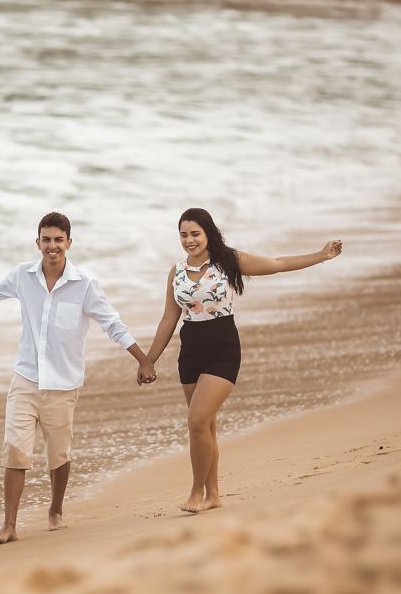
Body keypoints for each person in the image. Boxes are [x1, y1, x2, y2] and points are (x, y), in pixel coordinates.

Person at [0, 212, 156, 544]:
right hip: (25, 379)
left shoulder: (85, 285)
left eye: (58, 240)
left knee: (58, 455)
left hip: (63, 385)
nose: (52, 246)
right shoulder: (23, 276)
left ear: (69, 243)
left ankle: (55, 509)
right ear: (38, 242)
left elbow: (112, 324)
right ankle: (9, 525)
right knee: (15, 449)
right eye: (46, 239)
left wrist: (143, 360)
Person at [143, 208, 343, 513]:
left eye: (195, 233)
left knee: (197, 421)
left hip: (223, 350)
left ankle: (196, 493)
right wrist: (149, 360)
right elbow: (169, 318)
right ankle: (213, 495)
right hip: (190, 353)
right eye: (183, 235)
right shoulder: (177, 271)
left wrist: (321, 255)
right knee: (206, 426)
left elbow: (277, 264)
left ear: (208, 233)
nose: (189, 240)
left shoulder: (228, 260)